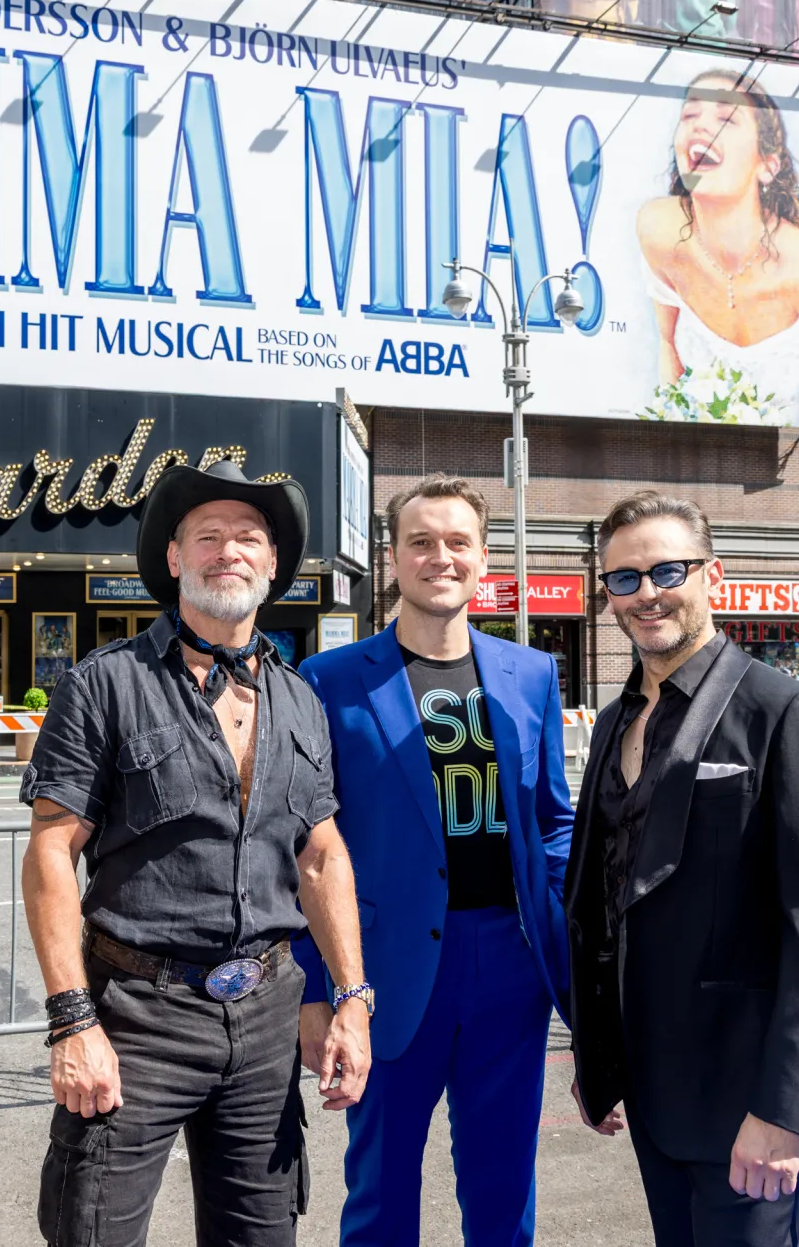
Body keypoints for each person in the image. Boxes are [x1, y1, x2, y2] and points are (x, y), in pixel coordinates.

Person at [20, 459, 372, 1247]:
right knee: (92, 1233)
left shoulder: (301, 699)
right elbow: (51, 852)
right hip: (136, 1016)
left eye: (249, 536)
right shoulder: (103, 685)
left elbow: (320, 856)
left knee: (261, 1237)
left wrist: (351, 997)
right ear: (174, 557)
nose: (229, 551)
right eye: (207, 535)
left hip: (266, 1016)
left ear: (273, 563)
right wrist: (71, 1021)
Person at [567, 492, 799, 1246]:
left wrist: (787, 1109)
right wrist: (598, 1056)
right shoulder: (613, 721)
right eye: (624, 577)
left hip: (749, 1103)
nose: (647, 593)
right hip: (651, 1091)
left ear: (714, 574)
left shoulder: (787, 714)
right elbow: (604, 896)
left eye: (668, 569)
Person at [292, 475, 574, 1245]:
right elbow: (303, 847)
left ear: (484, 560)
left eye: (457, 543)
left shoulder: (532, 674)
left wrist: (571, 947)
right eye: (421, 541)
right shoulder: (329, 680)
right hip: (382, 971)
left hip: (509, 970)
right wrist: (317, 989)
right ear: (393, 557)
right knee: (381, 1190)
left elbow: (552, 822)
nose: (439, 557)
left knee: (503, 1185)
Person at [638, 71, 799, 427]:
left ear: (767, 165)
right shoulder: (658, 231)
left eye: (726, 118)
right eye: (689, 115)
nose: (701, 127)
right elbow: (667, 348)